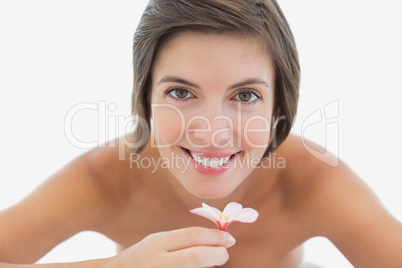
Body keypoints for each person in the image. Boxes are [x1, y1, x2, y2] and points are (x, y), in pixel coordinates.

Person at [0, 0, 401, 267]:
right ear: (145, 99)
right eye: (180, 92)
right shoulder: (104, 179)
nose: (212, 131)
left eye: (245, 95)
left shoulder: (314, 181)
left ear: (280, 105)